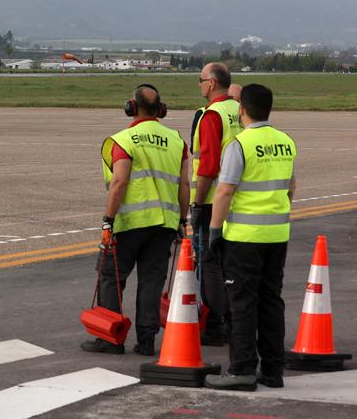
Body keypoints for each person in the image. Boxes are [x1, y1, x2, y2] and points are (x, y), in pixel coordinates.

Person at [82, 84, 190, 356]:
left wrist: (108, 220)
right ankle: (146, 341)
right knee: (151, 282)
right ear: (160, 110)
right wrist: (181, 220)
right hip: (164, 225)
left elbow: (119, 182)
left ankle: (110, 339)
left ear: (131, 107)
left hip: (130, 223)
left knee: (111, 276)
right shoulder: (177, 141)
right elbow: (184, 185)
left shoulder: (124, 140)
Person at [204, 84, 297, 392]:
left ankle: (242, 369)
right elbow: (290, 187)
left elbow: (225, 190)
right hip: (277, 234)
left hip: (244, 238)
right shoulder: (285, 141)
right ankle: (273, 369)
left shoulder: (239, 144)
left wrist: (215, 231)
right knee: (271, 300)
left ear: (242, 109)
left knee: (242, 302)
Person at [189, 62, 243, 346]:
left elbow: (208, 166)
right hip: (239, 199)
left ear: (211, 83)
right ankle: (235, 321)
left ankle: (214, 323)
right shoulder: (239, 110)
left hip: (213, 200)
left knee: (210, 263)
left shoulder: (212, 115)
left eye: (200, 80)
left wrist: (197, 205)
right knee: (232, 264)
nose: (199, 85)